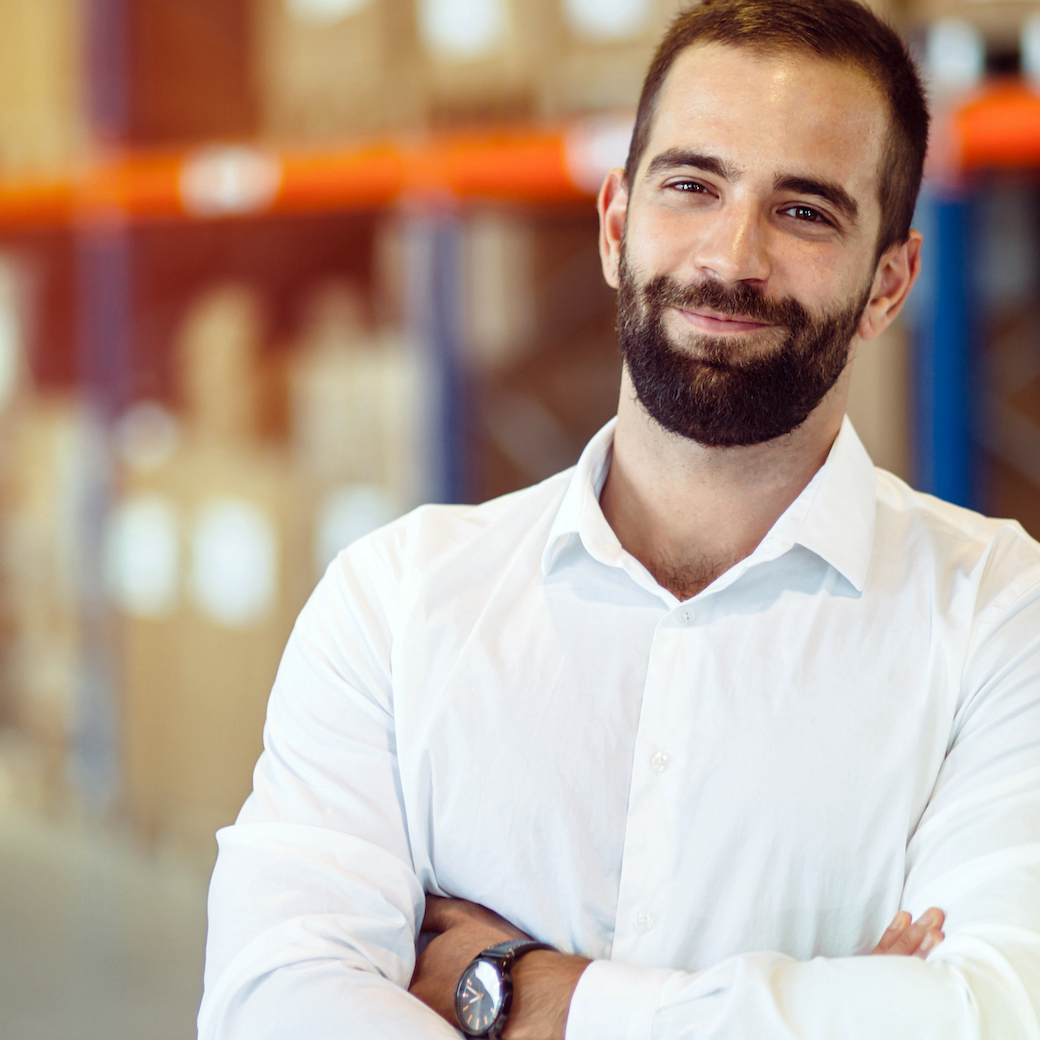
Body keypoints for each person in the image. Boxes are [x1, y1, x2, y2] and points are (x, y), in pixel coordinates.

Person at [198, 0, 1040, 1036]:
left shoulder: (998, 619)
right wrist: (822, 1004)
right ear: (613, 224)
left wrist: (517, 993)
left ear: (888, 283)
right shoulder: (395, 602)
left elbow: (990, 1014)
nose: (729, 256)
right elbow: (270, 1001)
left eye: (804, 212)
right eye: (691, 185)